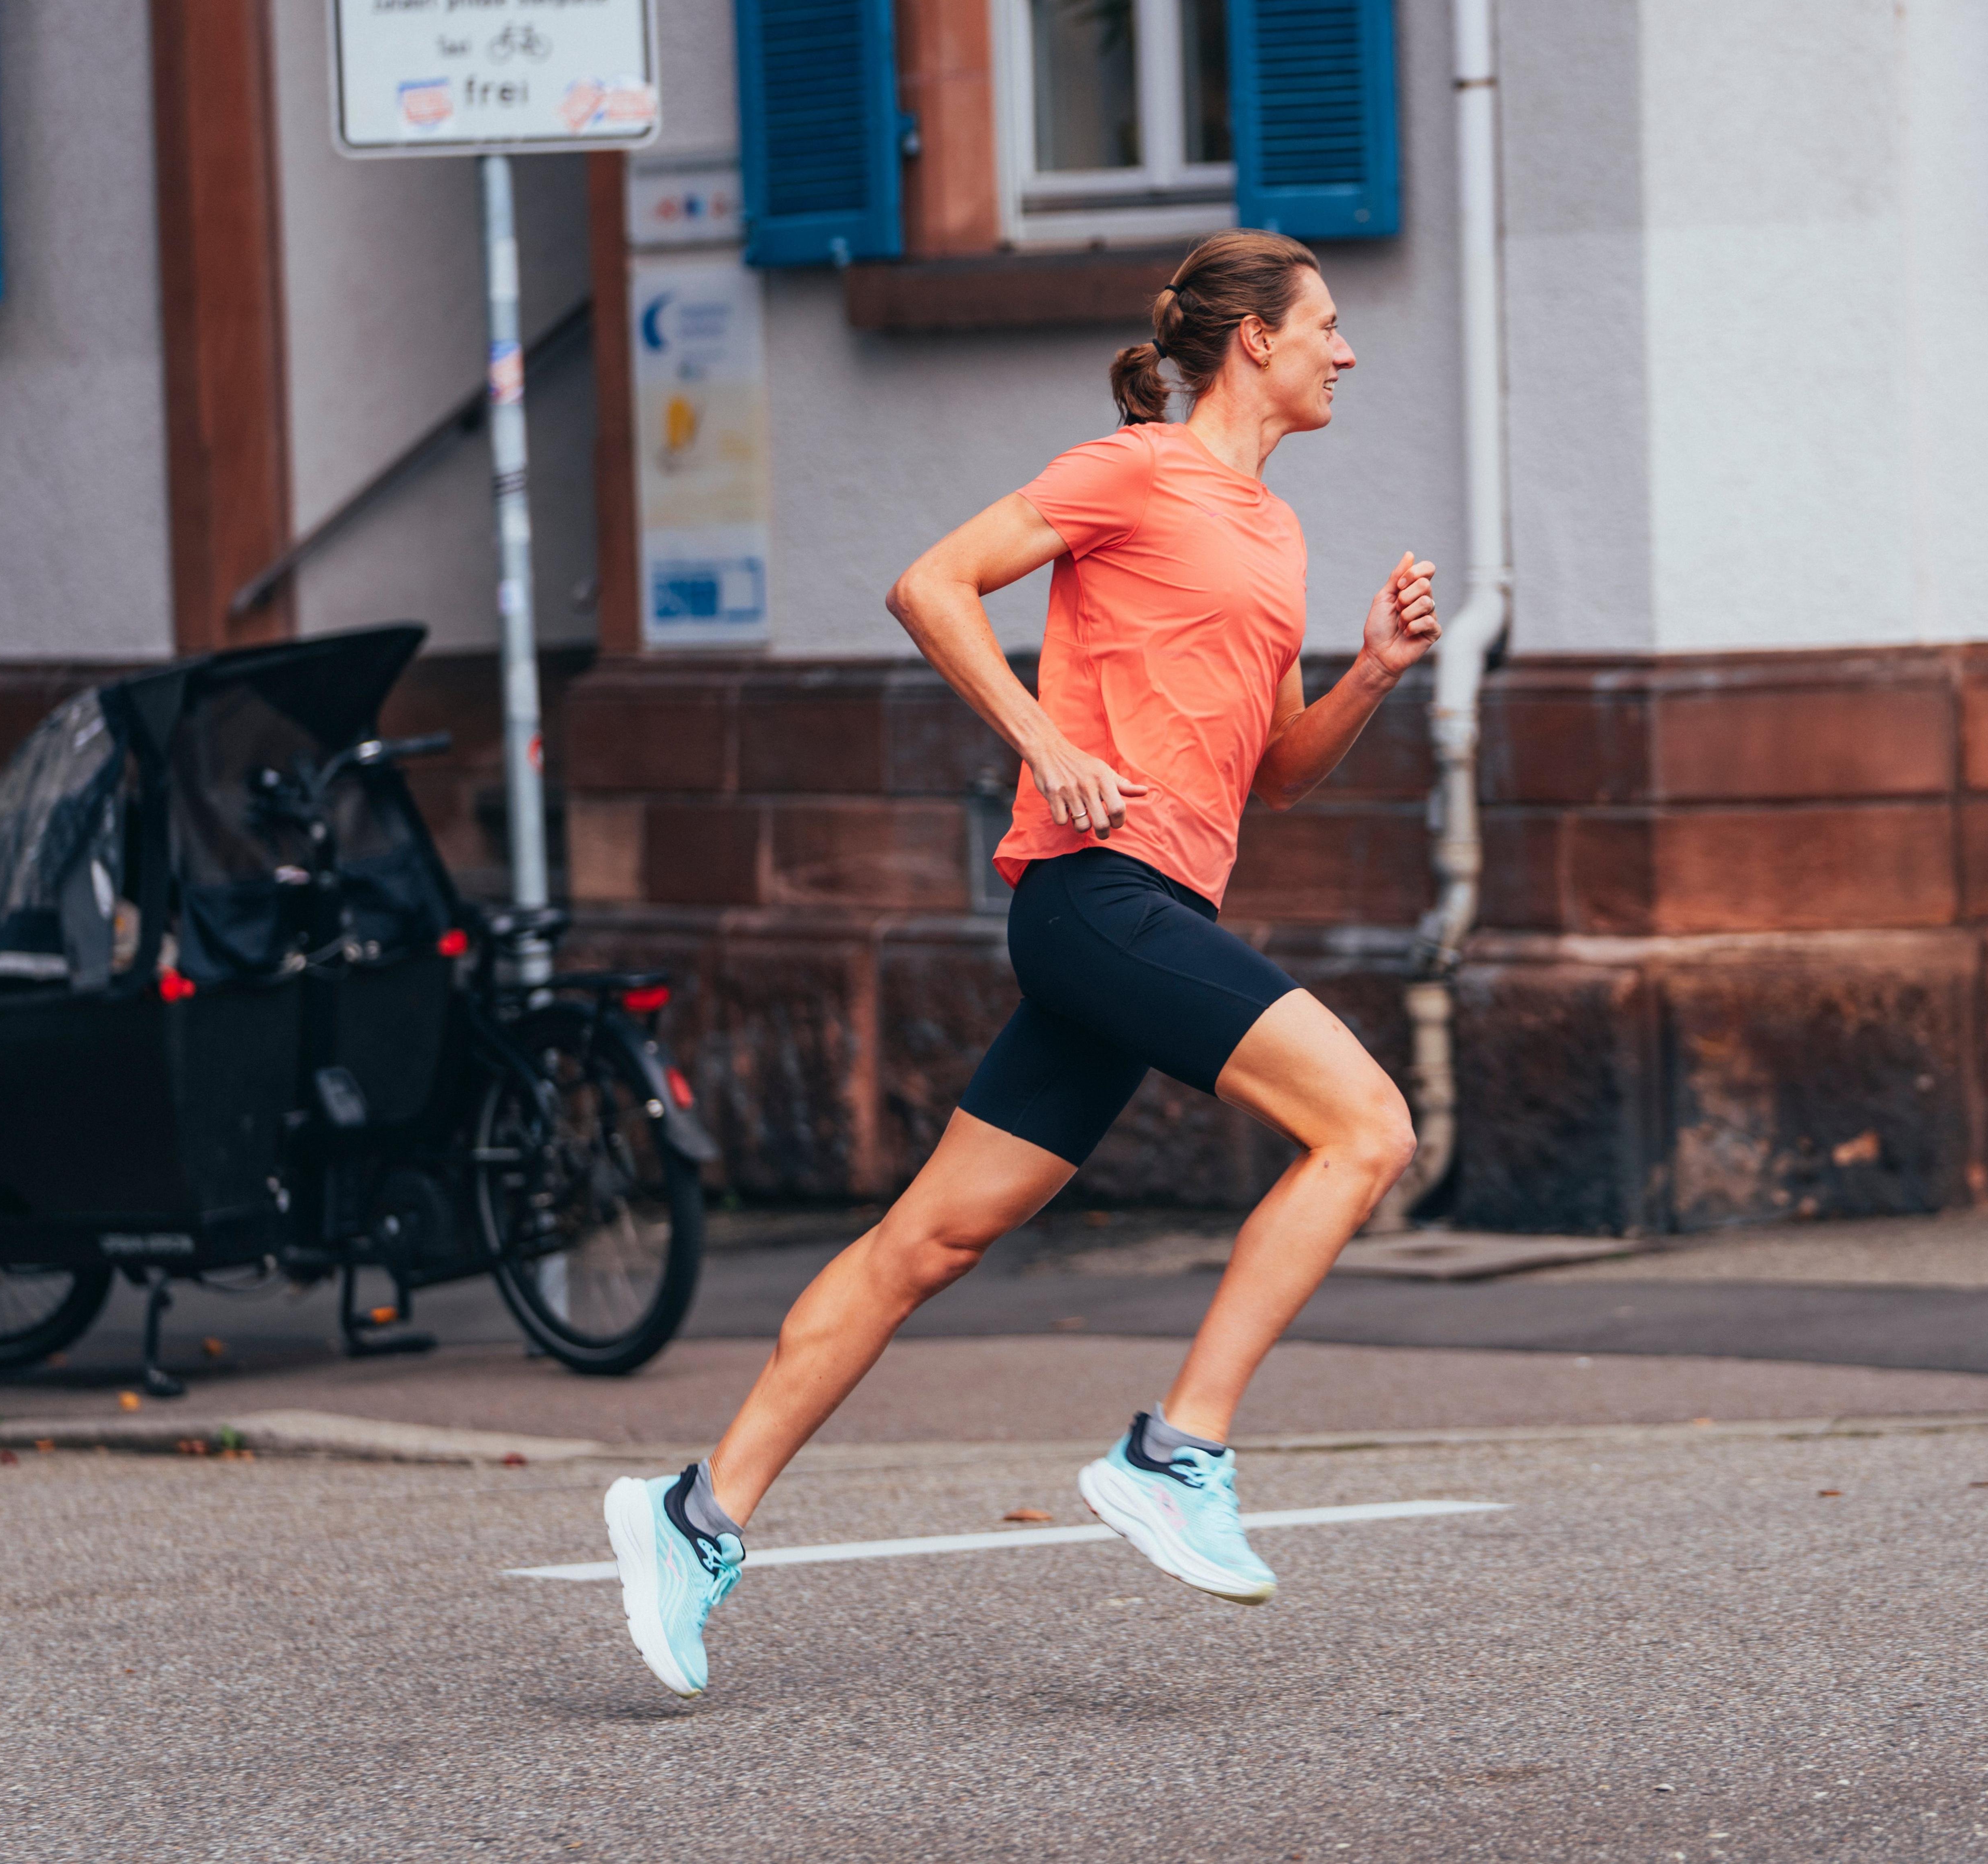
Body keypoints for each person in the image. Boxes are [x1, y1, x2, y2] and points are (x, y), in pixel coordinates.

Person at [603, 228, 1443, 1697]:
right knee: (1366, 1127)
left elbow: (1279, 777)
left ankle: (696, 1513)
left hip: (1144, 911)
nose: (1347, 351)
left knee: (929, 1243)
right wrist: (1049, 745)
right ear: (1253, 340)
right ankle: (1178, 1451)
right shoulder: (1131, 469)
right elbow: (932, 585)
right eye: (1326, 325)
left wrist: (1370, 670)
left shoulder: (1274, 530)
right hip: (1098, 898)